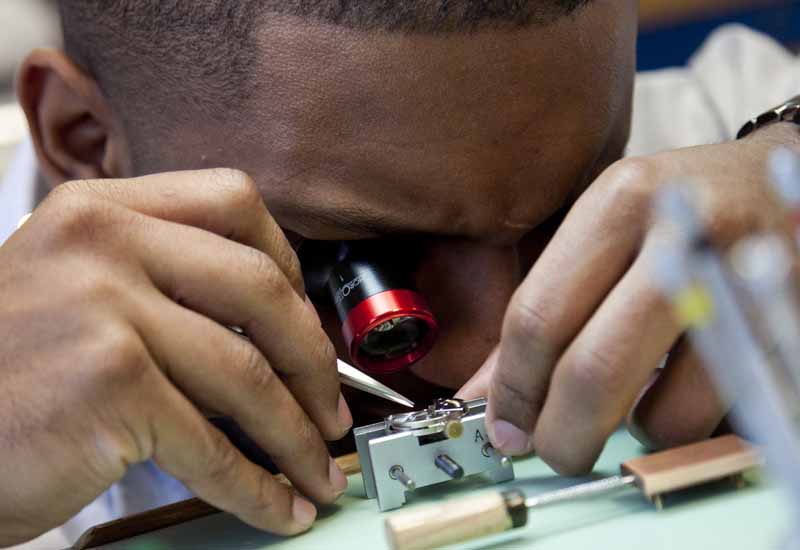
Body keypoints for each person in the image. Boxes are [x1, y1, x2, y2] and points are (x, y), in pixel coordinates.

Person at [1, 1, 799, 546]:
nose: (488, 360)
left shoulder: (712, 152)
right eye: (361, 261)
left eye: (572, 211)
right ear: (83, 140)